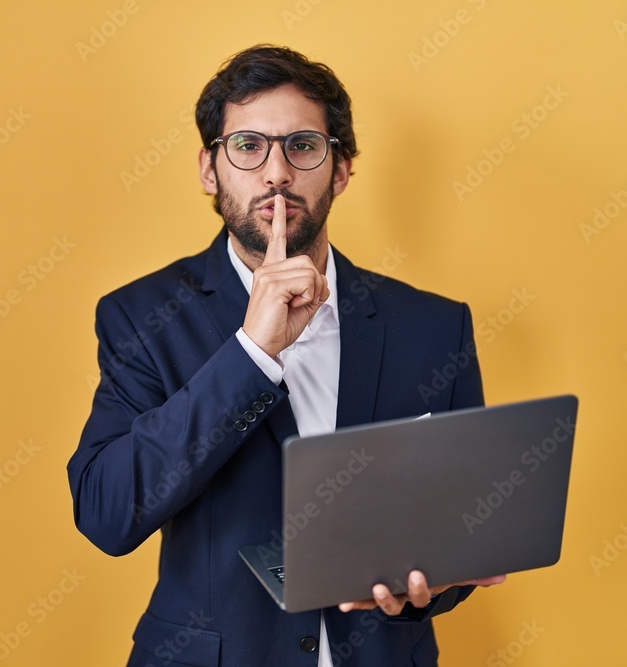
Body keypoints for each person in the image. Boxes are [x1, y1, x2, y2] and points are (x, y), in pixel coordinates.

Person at [68, 44, 503, 667]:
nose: (276, 173)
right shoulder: (141, 317)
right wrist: (253, 351)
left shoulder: (435, 327)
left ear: (342, 169)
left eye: (302, 146)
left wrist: (435, 587)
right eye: (248, 146)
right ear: (209, 169)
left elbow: (462, 524)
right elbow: (108, 512)